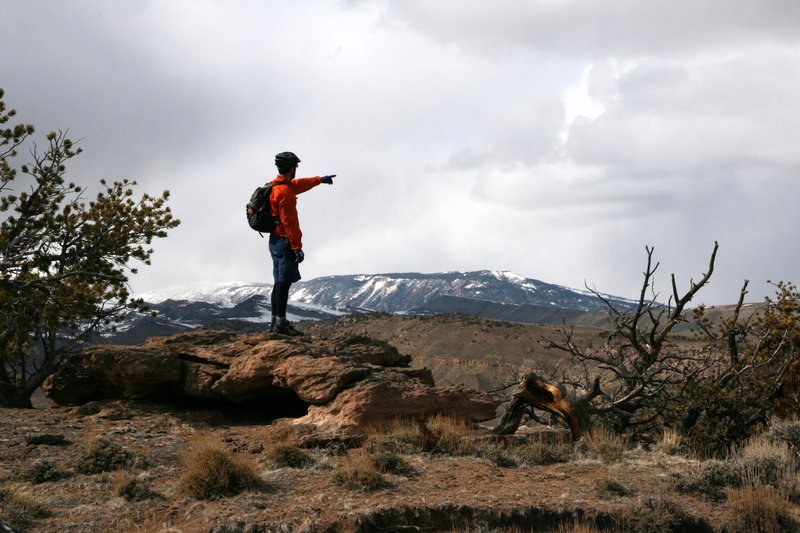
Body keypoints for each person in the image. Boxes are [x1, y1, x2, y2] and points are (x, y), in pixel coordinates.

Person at [268, 151, 334, 335]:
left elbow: (299, 184)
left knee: (278, 281)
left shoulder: (275, 186)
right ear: (291, 167)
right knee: (284, 282)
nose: (296, 169)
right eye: (295, 166)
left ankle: (275, 322)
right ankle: (280, 325)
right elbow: (290, 223)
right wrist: (297, 248)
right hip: (285, 241)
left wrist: (319, 180)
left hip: (274, 241)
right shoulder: (285, 192)